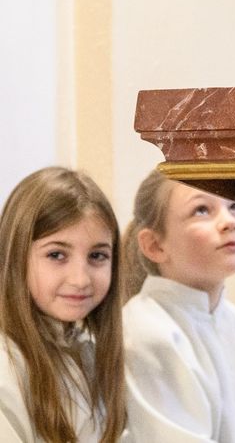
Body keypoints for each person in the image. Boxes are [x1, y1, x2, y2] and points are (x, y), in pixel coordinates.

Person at [121, 170, 235, 442]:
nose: (229, 222)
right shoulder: (146, 332)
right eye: (202, 210)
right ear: (154, 245)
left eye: (234, 206)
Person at [0, 166, 127, 443]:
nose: (80, 279)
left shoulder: (89, 353)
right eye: (56, 254)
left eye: (97, 256)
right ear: (15, 256)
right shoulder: (6, 366)